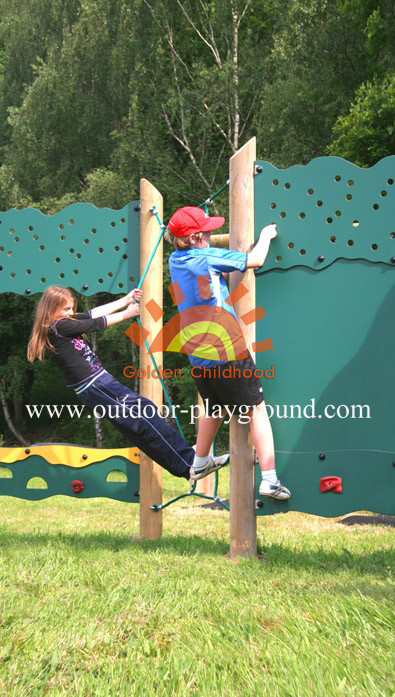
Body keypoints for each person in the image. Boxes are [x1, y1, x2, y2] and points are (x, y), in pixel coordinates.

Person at [26, 285, 228, 481]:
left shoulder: (63, 322)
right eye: (66, 309)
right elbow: (96, 323)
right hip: (96, 386)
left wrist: (125, 300)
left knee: (139, 425)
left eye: (72, 307)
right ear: (51, 310)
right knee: (145, 416)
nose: (71, 312)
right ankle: (190, 461)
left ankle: (185, 466)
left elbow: (93, 313)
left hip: (98, 385)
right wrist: (127, 313)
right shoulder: (59, 326)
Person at [165, 206, 291, 499]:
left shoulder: (174, 259)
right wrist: (265, 235)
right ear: (196, 237)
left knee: (214, 407)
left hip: (197, 352)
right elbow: (256, 259)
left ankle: (199, 462)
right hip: (227, 349)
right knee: (256, 408)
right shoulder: (207, 257)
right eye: (207, 231)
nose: (211, 235)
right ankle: (270, 479)